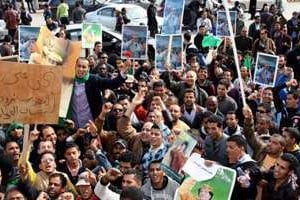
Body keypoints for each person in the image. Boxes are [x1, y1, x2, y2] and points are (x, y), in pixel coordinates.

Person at [70, 57, 127, 128]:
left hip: (92, 124)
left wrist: (123, 73)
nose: (81, 69)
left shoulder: (93, 79)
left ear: (88, 69)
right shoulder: (68, 80)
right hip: (73, 124)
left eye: (84, 67)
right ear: (75, 66)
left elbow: (111, 83)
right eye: (79, 66)